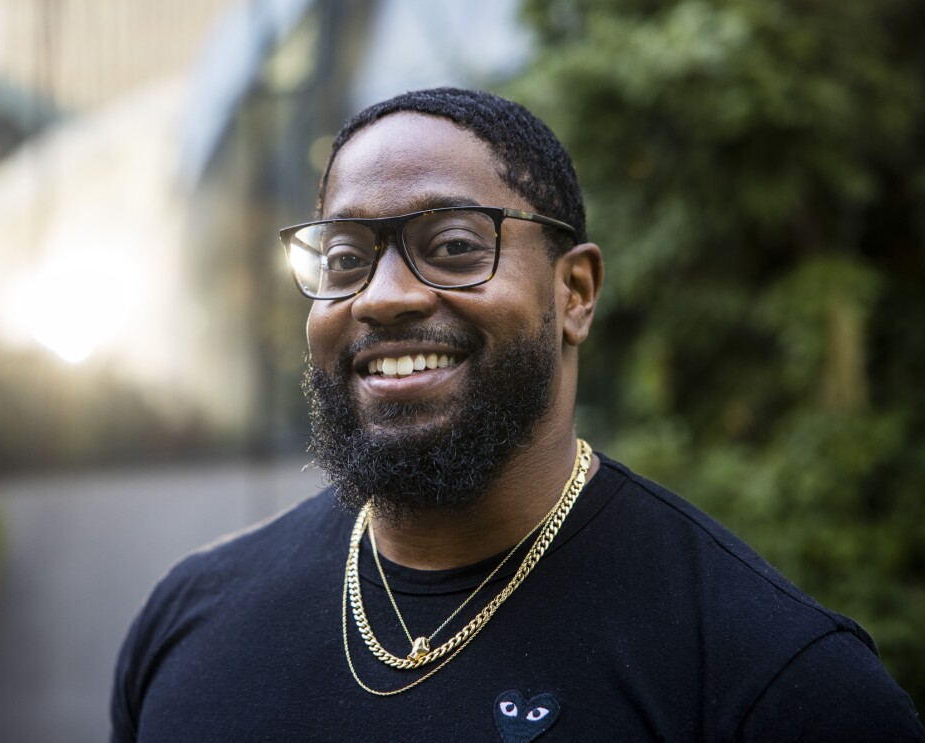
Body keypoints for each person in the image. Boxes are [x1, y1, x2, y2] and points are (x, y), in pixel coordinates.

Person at [111, 88, 923, 742]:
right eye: (346, 258)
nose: (385, 295)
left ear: (574, 293)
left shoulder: (775, 681)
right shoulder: (188, 626)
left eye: (457, 245)